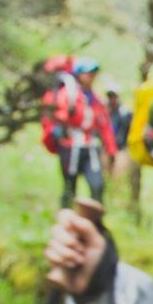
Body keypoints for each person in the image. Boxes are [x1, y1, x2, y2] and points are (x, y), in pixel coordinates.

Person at [41, 56, 116, 203]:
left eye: (94, 74)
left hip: (90, 148)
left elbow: (105, 125)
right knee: (69, 186)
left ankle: (94, 221)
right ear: (79, 74)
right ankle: (66, 218)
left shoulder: (95, 99)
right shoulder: (67, 95)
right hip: (69, 147)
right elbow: (53, 116)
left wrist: (111, 149)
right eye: (88, 74)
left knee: (97, 186)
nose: (92, 78)